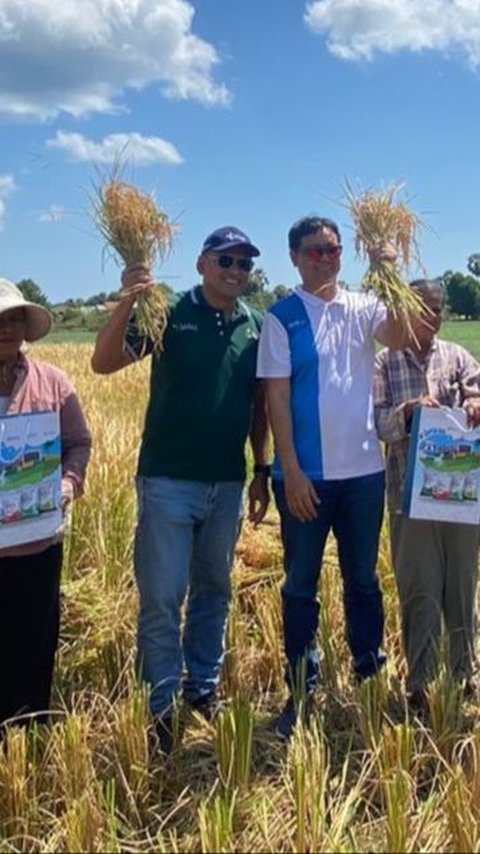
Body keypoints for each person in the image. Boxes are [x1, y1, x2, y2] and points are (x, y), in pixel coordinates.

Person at [91, 226, 270, 753]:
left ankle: (202, 688)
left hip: (227, 483)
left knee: (215, 589)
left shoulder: (255, 327)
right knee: (164, 597)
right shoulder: (167, 314)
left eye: (243, 263)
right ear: (201, 263)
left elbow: (260, 406)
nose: (235, 270)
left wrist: (261, 469)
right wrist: (129, 299)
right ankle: (161, 706)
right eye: (226, 260)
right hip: (168, 479)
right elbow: (103, 361)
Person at [257, 215, 411, 739]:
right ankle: (301, 692)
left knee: (364, 582)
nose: (325, 258)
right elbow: (276, 397)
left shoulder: (367, 306)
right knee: (301, 586)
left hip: (364, 474)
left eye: (333, 250)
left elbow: (406, 334)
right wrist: (292, 471)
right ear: (295, 257)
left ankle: (370, 681)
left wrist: (388, 267)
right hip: (306, 478)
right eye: (314, 251)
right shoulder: (282, 318)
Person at [374, 278, 480, 712]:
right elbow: (378, 424)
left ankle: (465, 679)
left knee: (462, 589)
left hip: (460, 497)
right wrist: (410, 411)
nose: (429, 318)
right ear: (401, 310)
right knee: (419, 590)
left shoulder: (458, 358)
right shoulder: (384, 363)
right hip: (408, 497)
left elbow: (476, 389)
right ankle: (420, 684)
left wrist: (475, 404)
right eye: (420, 309)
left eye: (436, 310)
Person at [0, 279, 92, 728]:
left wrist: (68, 485)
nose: (7, 327)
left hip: (38, 542)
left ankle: (28, 733)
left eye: (15, 318)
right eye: (0, 319)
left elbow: (79, 442)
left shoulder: (53, 383)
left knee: (35, 638)